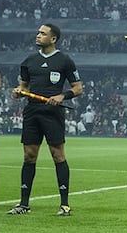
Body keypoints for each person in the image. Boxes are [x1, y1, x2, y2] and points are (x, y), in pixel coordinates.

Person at [8, 23, 82, 216]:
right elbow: (24, 86)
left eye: (43, 33)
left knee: (58, 155)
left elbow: (78, 88)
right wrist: (19, 92)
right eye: (38, 33)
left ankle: (64, 205)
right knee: (29, 156)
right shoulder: (29, 61)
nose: (38, 36)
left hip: (53, 113)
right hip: (32, 112)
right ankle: (24, 204)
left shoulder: (65, 61)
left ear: (53, 38)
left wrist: (62, 96)